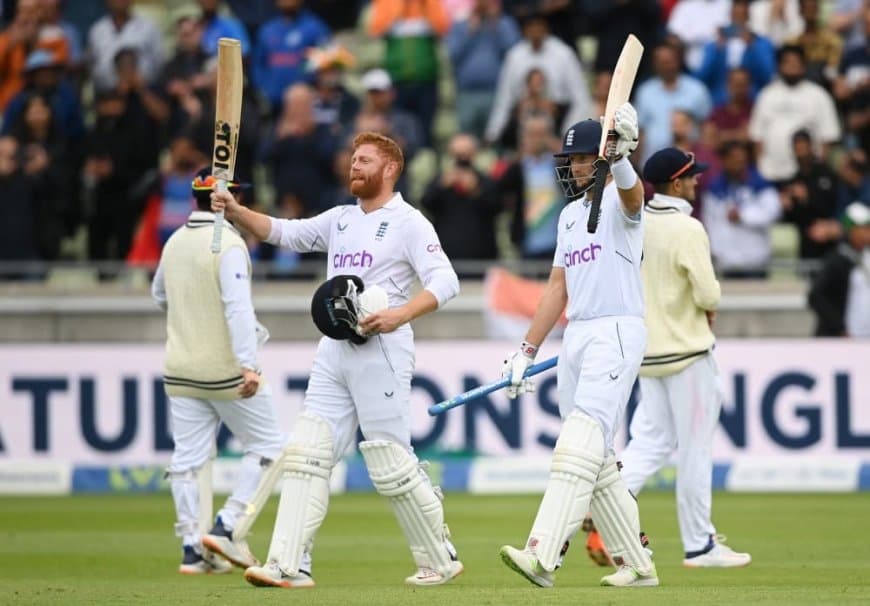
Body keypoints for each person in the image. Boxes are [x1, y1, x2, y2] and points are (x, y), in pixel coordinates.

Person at [210, 131, 462, 588]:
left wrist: (400, 314)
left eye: (365, 160)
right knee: (307, 453)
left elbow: (446, 281)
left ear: (390, 169)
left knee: (391, 461)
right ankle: (289, 563)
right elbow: (287, 233)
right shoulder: (342, 218)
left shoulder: (409, 222)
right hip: (334, 348)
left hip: (382, 347)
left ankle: (439, 557)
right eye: (352, 159)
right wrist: (235, 211)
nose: (354, 166)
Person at [498, 106, 659, 589]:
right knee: (599, 459)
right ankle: (636, 563)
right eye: (569, 160)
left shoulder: (619, 201)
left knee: (577, 445)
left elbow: (635, 197)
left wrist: (624, 157)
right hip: (578, 335)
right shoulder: (569, 216)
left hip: (616, 330)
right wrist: (525, 351)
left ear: (603, 160)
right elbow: (556, 290)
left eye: (583, 159)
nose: (572, 168)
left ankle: (542, 555)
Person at [608, 147, 752, 568]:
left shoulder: (634, 223)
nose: (697, 182)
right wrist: (710, 304)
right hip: (688, 354)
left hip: (648, 354)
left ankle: (608, 503)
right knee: (694, 450)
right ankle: (700, 545)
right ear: (675, 183)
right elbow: (708, 293)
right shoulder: (688, 228)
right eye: (691, 177)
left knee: (649, 443)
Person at [152, 167, 286, 574]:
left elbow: (160, 295)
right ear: (230, 199)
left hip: (180, 367)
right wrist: (249, 363)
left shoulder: (174, 241)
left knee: (187, 459)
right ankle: (227, 525)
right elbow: (237, 308)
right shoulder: (228, 243)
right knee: (270, 447)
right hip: (225, 371)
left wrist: (191, 322)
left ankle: (192, 548)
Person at [809, 201, 870, 337]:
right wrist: (839, 328)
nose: (868, 233)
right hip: (841, 338)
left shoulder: (866, 257)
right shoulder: (837, 260)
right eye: (864, 228)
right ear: (851, 230)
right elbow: (815, 296)